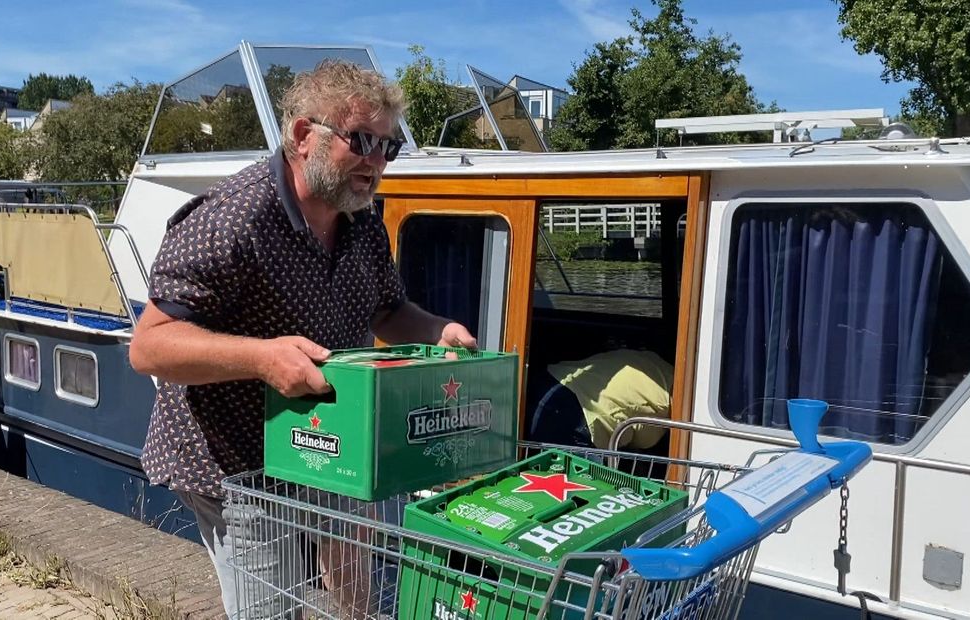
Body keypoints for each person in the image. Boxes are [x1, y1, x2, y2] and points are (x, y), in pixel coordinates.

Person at [129, 60, 476, 618]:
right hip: (238, 465)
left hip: (326, 441)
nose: (377, 163)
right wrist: (263, 358)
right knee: (274, 608)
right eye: (363, 141)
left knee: (359, 596)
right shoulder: (233, 218)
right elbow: (149, 346)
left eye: (389, 148)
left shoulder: (361, 219)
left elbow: (389, 311)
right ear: (302, 136)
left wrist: (437, 330)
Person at [525, 348, 674, 452]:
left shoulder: (650, 361)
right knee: (577, 490)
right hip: (577, 414)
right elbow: (643, 442)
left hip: (551, 380)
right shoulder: (670, 397)